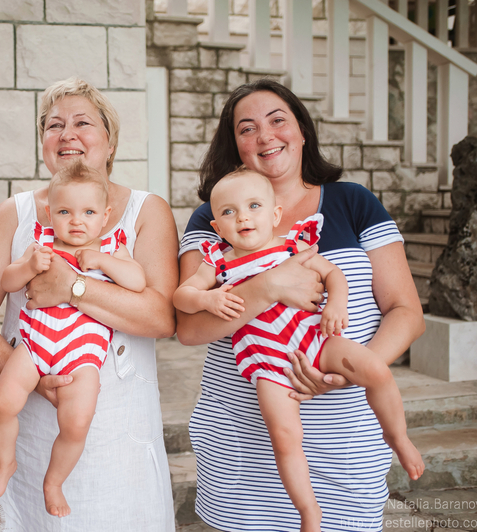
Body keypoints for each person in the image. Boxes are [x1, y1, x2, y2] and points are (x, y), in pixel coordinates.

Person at [177, 79, 425, 532]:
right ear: (235, 146)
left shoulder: (352, 202)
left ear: (302, 130)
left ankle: (398, 439)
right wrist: (270, 286)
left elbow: (406, 311)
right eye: (247, 128)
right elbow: (189, 328)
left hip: (347, 441)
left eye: (278, 120)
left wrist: (346, 372)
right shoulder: (214, 218)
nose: (265, 136)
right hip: (244, 440)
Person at [0, 77, 177, 531]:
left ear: (110, 142)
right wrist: (31, 375)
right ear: (43, 143)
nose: (67, 134)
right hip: (34, 421)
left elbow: (161, 317)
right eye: (54, 125)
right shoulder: (15, 214)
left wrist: (73, 286)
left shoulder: (145, 211)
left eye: (83, 123)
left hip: (120, 431)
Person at [0, 162, 146, 517]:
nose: (77, 221)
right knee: (3, 403)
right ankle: (5, 463)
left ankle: (54, 482)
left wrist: (103, 261)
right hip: (34, 345)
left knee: (76, 423)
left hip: (82, 354)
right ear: (49, 213)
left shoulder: (112, 247)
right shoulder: (39, 245)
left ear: (105, 216)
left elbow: (136, 282)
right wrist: (28, 267)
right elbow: (7, 282)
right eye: (64, 212)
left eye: (88, 212)